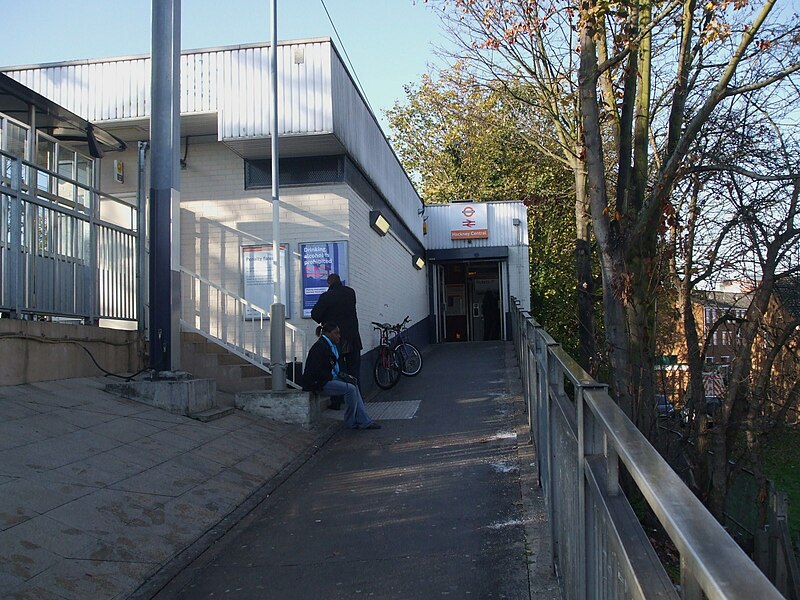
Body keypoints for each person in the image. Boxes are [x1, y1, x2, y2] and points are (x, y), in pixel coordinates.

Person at [302, 322, 380, 430]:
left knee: (353, 384)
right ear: (328, 334)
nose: (339, 336)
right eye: (336, 333)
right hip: (319, 383)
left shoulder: (330, 345)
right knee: (351, 389)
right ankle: (351, 421)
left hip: (328, 378)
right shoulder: (321, 347)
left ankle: (363, 420)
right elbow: (316, 371)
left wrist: (341, 376)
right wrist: (332, 377)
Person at [311, 273, 363, 407]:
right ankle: (357, 400)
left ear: (329, 282)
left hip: (337, 339)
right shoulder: (351, 293)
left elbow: (315, 315)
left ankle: (337, 402)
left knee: (338, 370)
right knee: (354, 370)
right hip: (353, 338)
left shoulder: (327, 297)